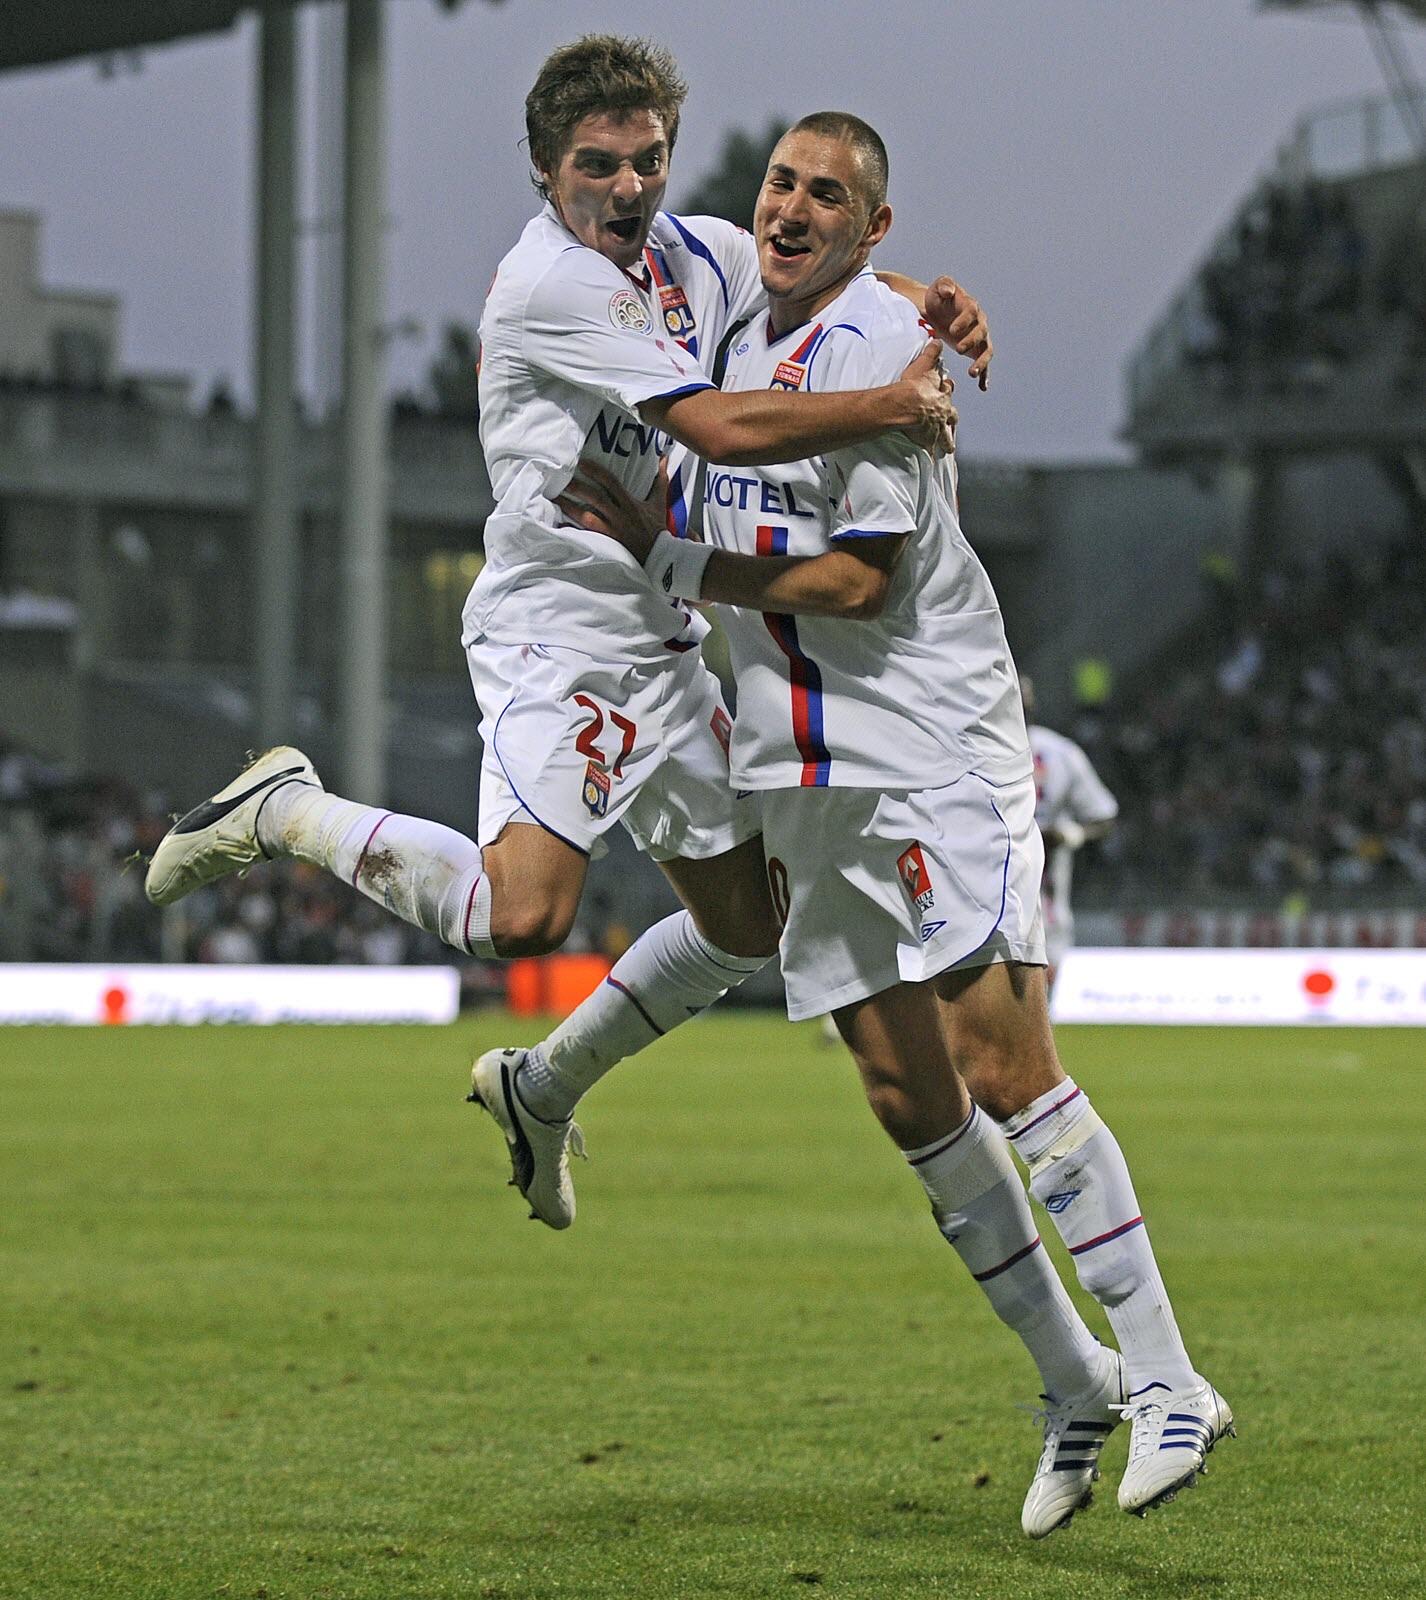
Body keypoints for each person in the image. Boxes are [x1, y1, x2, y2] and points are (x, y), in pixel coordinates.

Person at [144, 36, 986, 1224]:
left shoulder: (694, 253)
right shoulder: (550, 286)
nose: (630, 187)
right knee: (521, 917)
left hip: (666, 628)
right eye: (599, 165)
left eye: (649, 161)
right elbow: (725, 430)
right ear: (547, 170)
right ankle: (286, 808)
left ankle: (541, 1089)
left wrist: (927, 299)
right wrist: (895, 399)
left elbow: (826, 282)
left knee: (748, 925)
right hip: (559, 632)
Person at [555, 111, 1231, 1536]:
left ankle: (1170, 1378)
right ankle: (1075, 1384)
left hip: (923, 747)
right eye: (782, 185)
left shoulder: (877, 356)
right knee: (904, 1095)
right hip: (804, 773)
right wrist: (930, 280)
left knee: (998, 1063)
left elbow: (858, 587)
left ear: (869, 225)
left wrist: (661, 550)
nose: (793, 208)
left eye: (831, 196)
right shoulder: (741, 321)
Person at [1022, 676, 1118, 991]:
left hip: (1047, 898)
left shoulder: (1060, 753)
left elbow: (1103, 815)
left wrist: (1069, 835)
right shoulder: (970, 752)